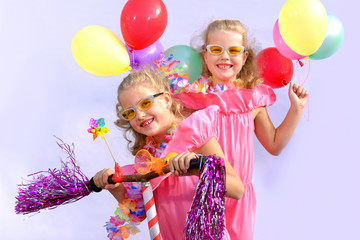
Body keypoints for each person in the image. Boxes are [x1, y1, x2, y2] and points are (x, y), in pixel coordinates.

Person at [168, 19, 309, 239]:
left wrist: (296, 109)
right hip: (202, 193)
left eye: (233, 50)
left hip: (240, 197)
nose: (225, 56)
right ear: (205, 56)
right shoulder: (192, 102)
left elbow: (274, 144)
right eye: (216, 49)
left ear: (244, 57)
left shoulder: (252, 100)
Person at [93, 69, 244, 240]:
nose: (140, 115)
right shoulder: (147, 159)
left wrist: (199, 167)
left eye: (145, 104)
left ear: (166, 100)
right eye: (130, 112)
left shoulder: (194, 135)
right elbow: (138, 211)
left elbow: (237, 189)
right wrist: (116, 188)